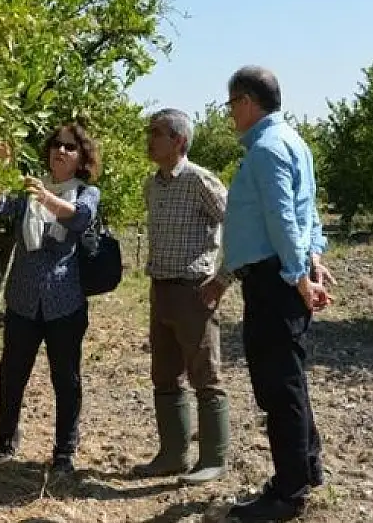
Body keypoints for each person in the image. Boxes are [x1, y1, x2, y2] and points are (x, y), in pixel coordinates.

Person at [199, 66, 336, 522]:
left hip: (275, 281)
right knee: (289, 380)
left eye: (230, 105)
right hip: (280, 275)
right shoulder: (293, 142)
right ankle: (307, 469)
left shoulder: (265, 150)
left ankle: (287, 492)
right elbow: (306, 213)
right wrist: (313, 259)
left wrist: (299, 275)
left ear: (246, 102)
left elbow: (281, 218)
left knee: (278, 388)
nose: (229, 115)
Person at [0, 122, 102, 476]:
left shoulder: (85, 193)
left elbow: (80, 218)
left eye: (70, 147)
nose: (61, 151)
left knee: (66, 379)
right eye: (57, 145)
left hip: (64, 302)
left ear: (81, 158)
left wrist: (45, 198)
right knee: (12, 374)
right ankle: (6, 441)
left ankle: (65, 452)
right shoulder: (29, 193)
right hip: (22, 300)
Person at [132, 108, 231, 484]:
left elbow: (237, 223)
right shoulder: (152, 185)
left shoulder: (200, 182)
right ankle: (172, 454)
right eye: (150, 131)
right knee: (165, 375)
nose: (150, 139)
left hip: (195, 292)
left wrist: (223, 277)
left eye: (157, 132)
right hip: (161, 289)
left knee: (205, 374)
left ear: (179, 140)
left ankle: (213, 459)